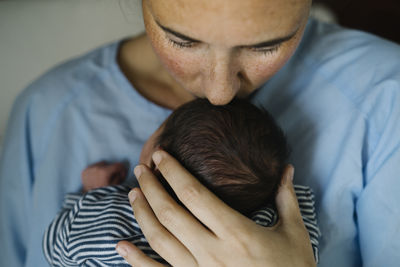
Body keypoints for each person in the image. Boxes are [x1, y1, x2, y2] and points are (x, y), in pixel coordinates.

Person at [0, 0, 399, 266]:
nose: (220, 91)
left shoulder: (386, 96)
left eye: (267, 45)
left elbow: (60, 243)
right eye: (182, 40)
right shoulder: (46, 112)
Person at [42, 98, 320, 266]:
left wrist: (90, 193)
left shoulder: (112, 217)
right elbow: (305, 245)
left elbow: (55, 246)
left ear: (154, 160)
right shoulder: (273, 228)